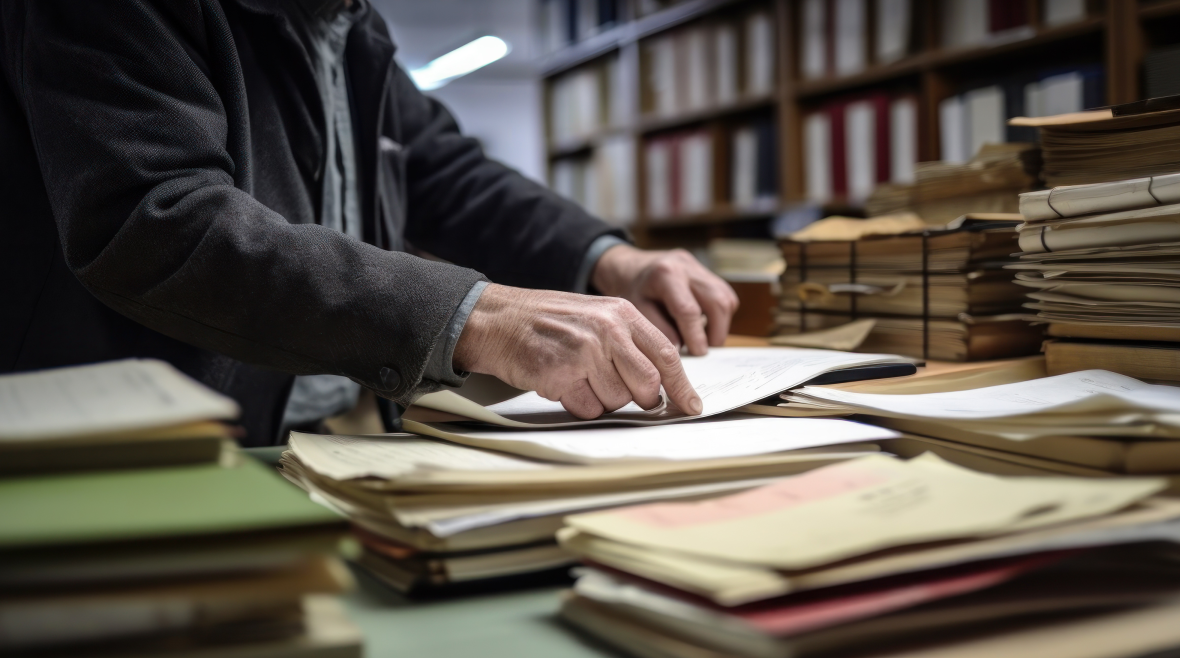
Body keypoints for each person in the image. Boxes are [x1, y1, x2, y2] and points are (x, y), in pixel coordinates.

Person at [0, 0, 738, 446]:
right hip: (127, 447)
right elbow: (160, 223)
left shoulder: (349, 28)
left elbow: (448, 174)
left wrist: (609, 258)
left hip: (311, 438)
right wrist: (480, 317)